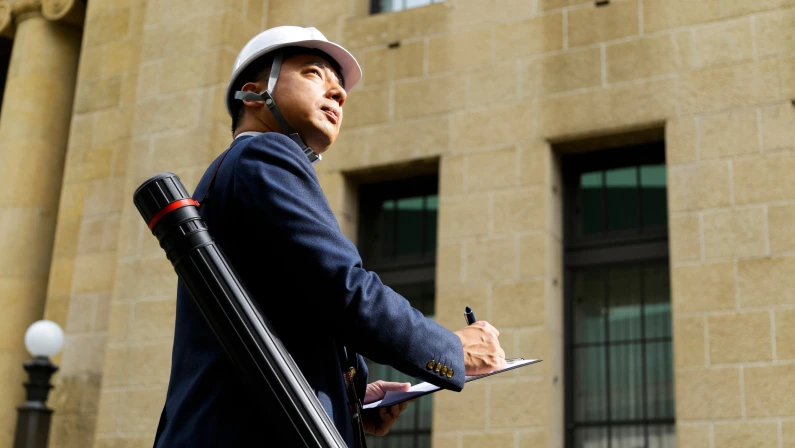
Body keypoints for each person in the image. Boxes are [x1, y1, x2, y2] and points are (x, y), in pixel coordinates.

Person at [153, 26, 507, 447]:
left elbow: (293, 316)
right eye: (314, 74)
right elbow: (345, 289)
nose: (338, 94)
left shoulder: (238, 169)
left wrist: (351, 401)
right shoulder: (265, 154)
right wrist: (454, 351)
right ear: (253, 92)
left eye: (341, 89)